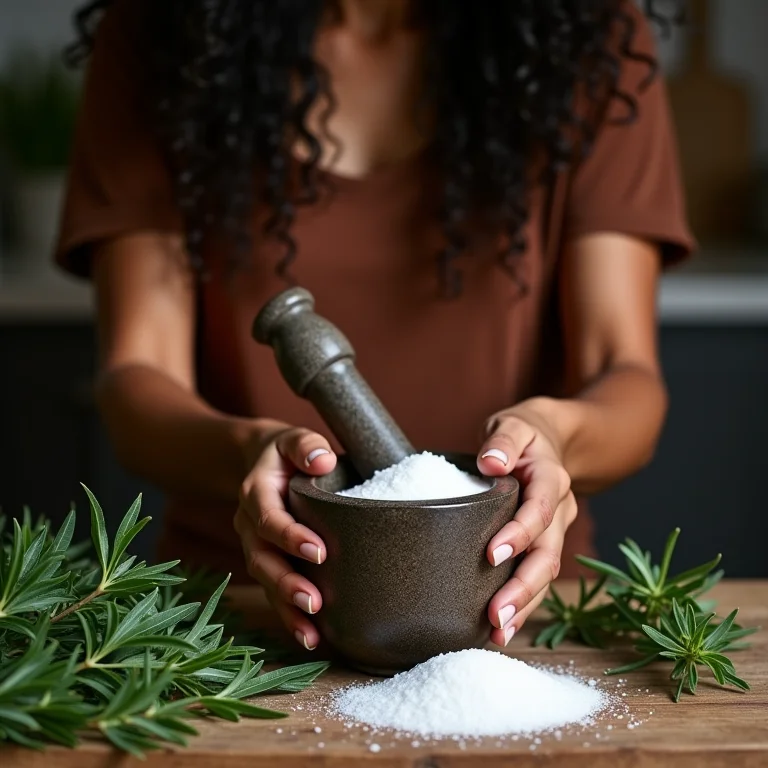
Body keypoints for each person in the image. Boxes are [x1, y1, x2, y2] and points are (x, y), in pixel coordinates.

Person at [57, 0, 693, 652]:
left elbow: (626, 375)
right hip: (232, 621)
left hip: (519, 611)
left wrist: (557, 436)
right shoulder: (165, 32)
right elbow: (137, 380)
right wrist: (248, 450)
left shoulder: (589, 33)